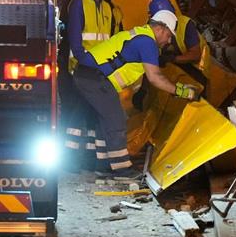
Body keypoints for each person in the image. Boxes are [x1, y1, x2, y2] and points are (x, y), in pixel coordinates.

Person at [73, 10, 197, 172]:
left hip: (87, 73)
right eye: (169, 36)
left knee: (104, 119)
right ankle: (120, 168)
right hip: (95, 76)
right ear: (160, 28)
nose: (168, 41)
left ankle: (102, 165)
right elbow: (155, 77)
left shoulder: (140, 35)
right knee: (116, 119)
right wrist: (182, 91)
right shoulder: (147, 42)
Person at [61, 0, 123, 167]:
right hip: (81, 69)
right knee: (80, 112)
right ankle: (72, 160)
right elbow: (75, 43)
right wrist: (90, 65)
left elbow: (109, 42)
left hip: (97, 71)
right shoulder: (79, 3)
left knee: (90, 113)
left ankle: (87, 160)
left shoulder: (107, 8)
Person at [133, 0, 209, 109]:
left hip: (197, 70)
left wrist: (172, 59)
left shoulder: (185, 25)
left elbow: (195, 55)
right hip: (176, 66)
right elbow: (151, 63)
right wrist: (143, 89)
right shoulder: (153, 27)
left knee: (196, 100)